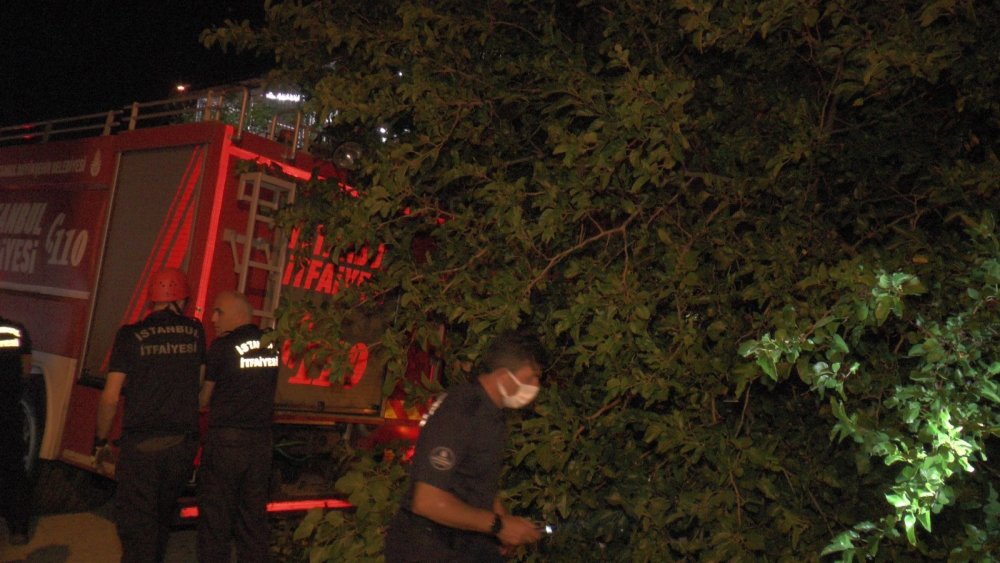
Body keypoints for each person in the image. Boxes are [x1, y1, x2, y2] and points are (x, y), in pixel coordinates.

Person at [384, 330, 547, 562]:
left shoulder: (493, 414)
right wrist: (498, 526)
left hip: (465, 545)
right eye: (530, 378)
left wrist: (503, 526)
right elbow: (427, 501)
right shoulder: (461, 412)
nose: (535, 386)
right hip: (430, 547)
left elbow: (477, 481)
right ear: (503, 376)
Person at [94, 268, 206, 563]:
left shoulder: (129, 336)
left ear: (151, 299)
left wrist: (100, 440)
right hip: (180, 448)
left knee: (135, 530)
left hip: (141, 449)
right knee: (159, 524)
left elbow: (109, 397)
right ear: (181, 299)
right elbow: (200, 384)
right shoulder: (195, 332)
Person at [197, 290, 279, 563]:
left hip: (226, 444)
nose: (213, 318)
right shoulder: (271, 345)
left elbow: (205, 398)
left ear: (238, 314)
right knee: (253, 521)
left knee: (216, 519)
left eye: (218, 311)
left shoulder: (221, 347)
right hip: (260, 446)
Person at [0, 316, 33, 545]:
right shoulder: (16, 329)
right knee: (14, 469)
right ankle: (19, 529)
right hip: (9, 412)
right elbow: (26, 369)